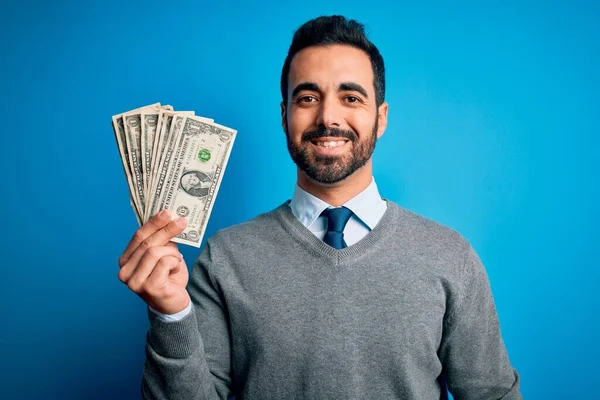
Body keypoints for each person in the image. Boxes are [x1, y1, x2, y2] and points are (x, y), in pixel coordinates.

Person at [118, 15, 521, 400]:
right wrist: (170, 314)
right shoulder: (225, 258)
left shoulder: (450, 257)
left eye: (351, 97)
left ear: (380, 118)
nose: (329, 117)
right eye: (308, 97)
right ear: (285, 116)